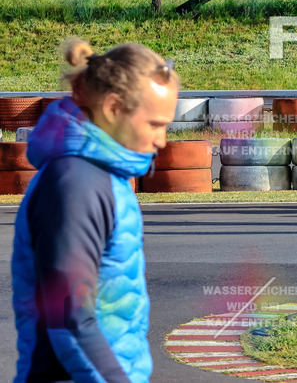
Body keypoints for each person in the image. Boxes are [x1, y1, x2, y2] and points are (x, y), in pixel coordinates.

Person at [12, 38, 179, 382]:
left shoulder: (105, 174)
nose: (162, 139)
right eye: (154, 124)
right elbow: (70, 317)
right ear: (114, 108)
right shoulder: (76, 183)